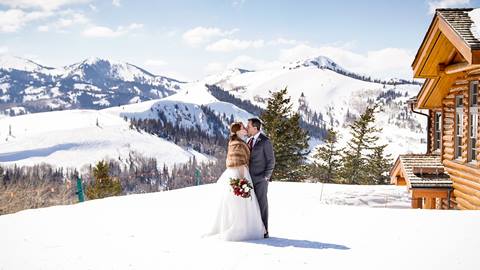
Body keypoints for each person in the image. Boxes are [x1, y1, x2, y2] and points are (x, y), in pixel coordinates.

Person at [205, 122, 266, 241]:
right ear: (238, 131)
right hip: (240, 173)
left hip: (237, 173)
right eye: (243, 128)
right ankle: (242, 229)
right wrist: (243, 180)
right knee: (241, 203)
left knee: (239, 203)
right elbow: (238, 162)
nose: (245, 129)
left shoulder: (237, 142)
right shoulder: (238, 144)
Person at [246, 118, 275, 238]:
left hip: (261, 179)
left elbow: (271, 160)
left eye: (248, 126)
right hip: (248, 178)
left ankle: (265, 230)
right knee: (250, 204)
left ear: (255, 127)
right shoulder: (248, 140)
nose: (247, 128)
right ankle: (254, 229)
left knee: (262, 204)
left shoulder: (265, 141)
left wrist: (266, 177)